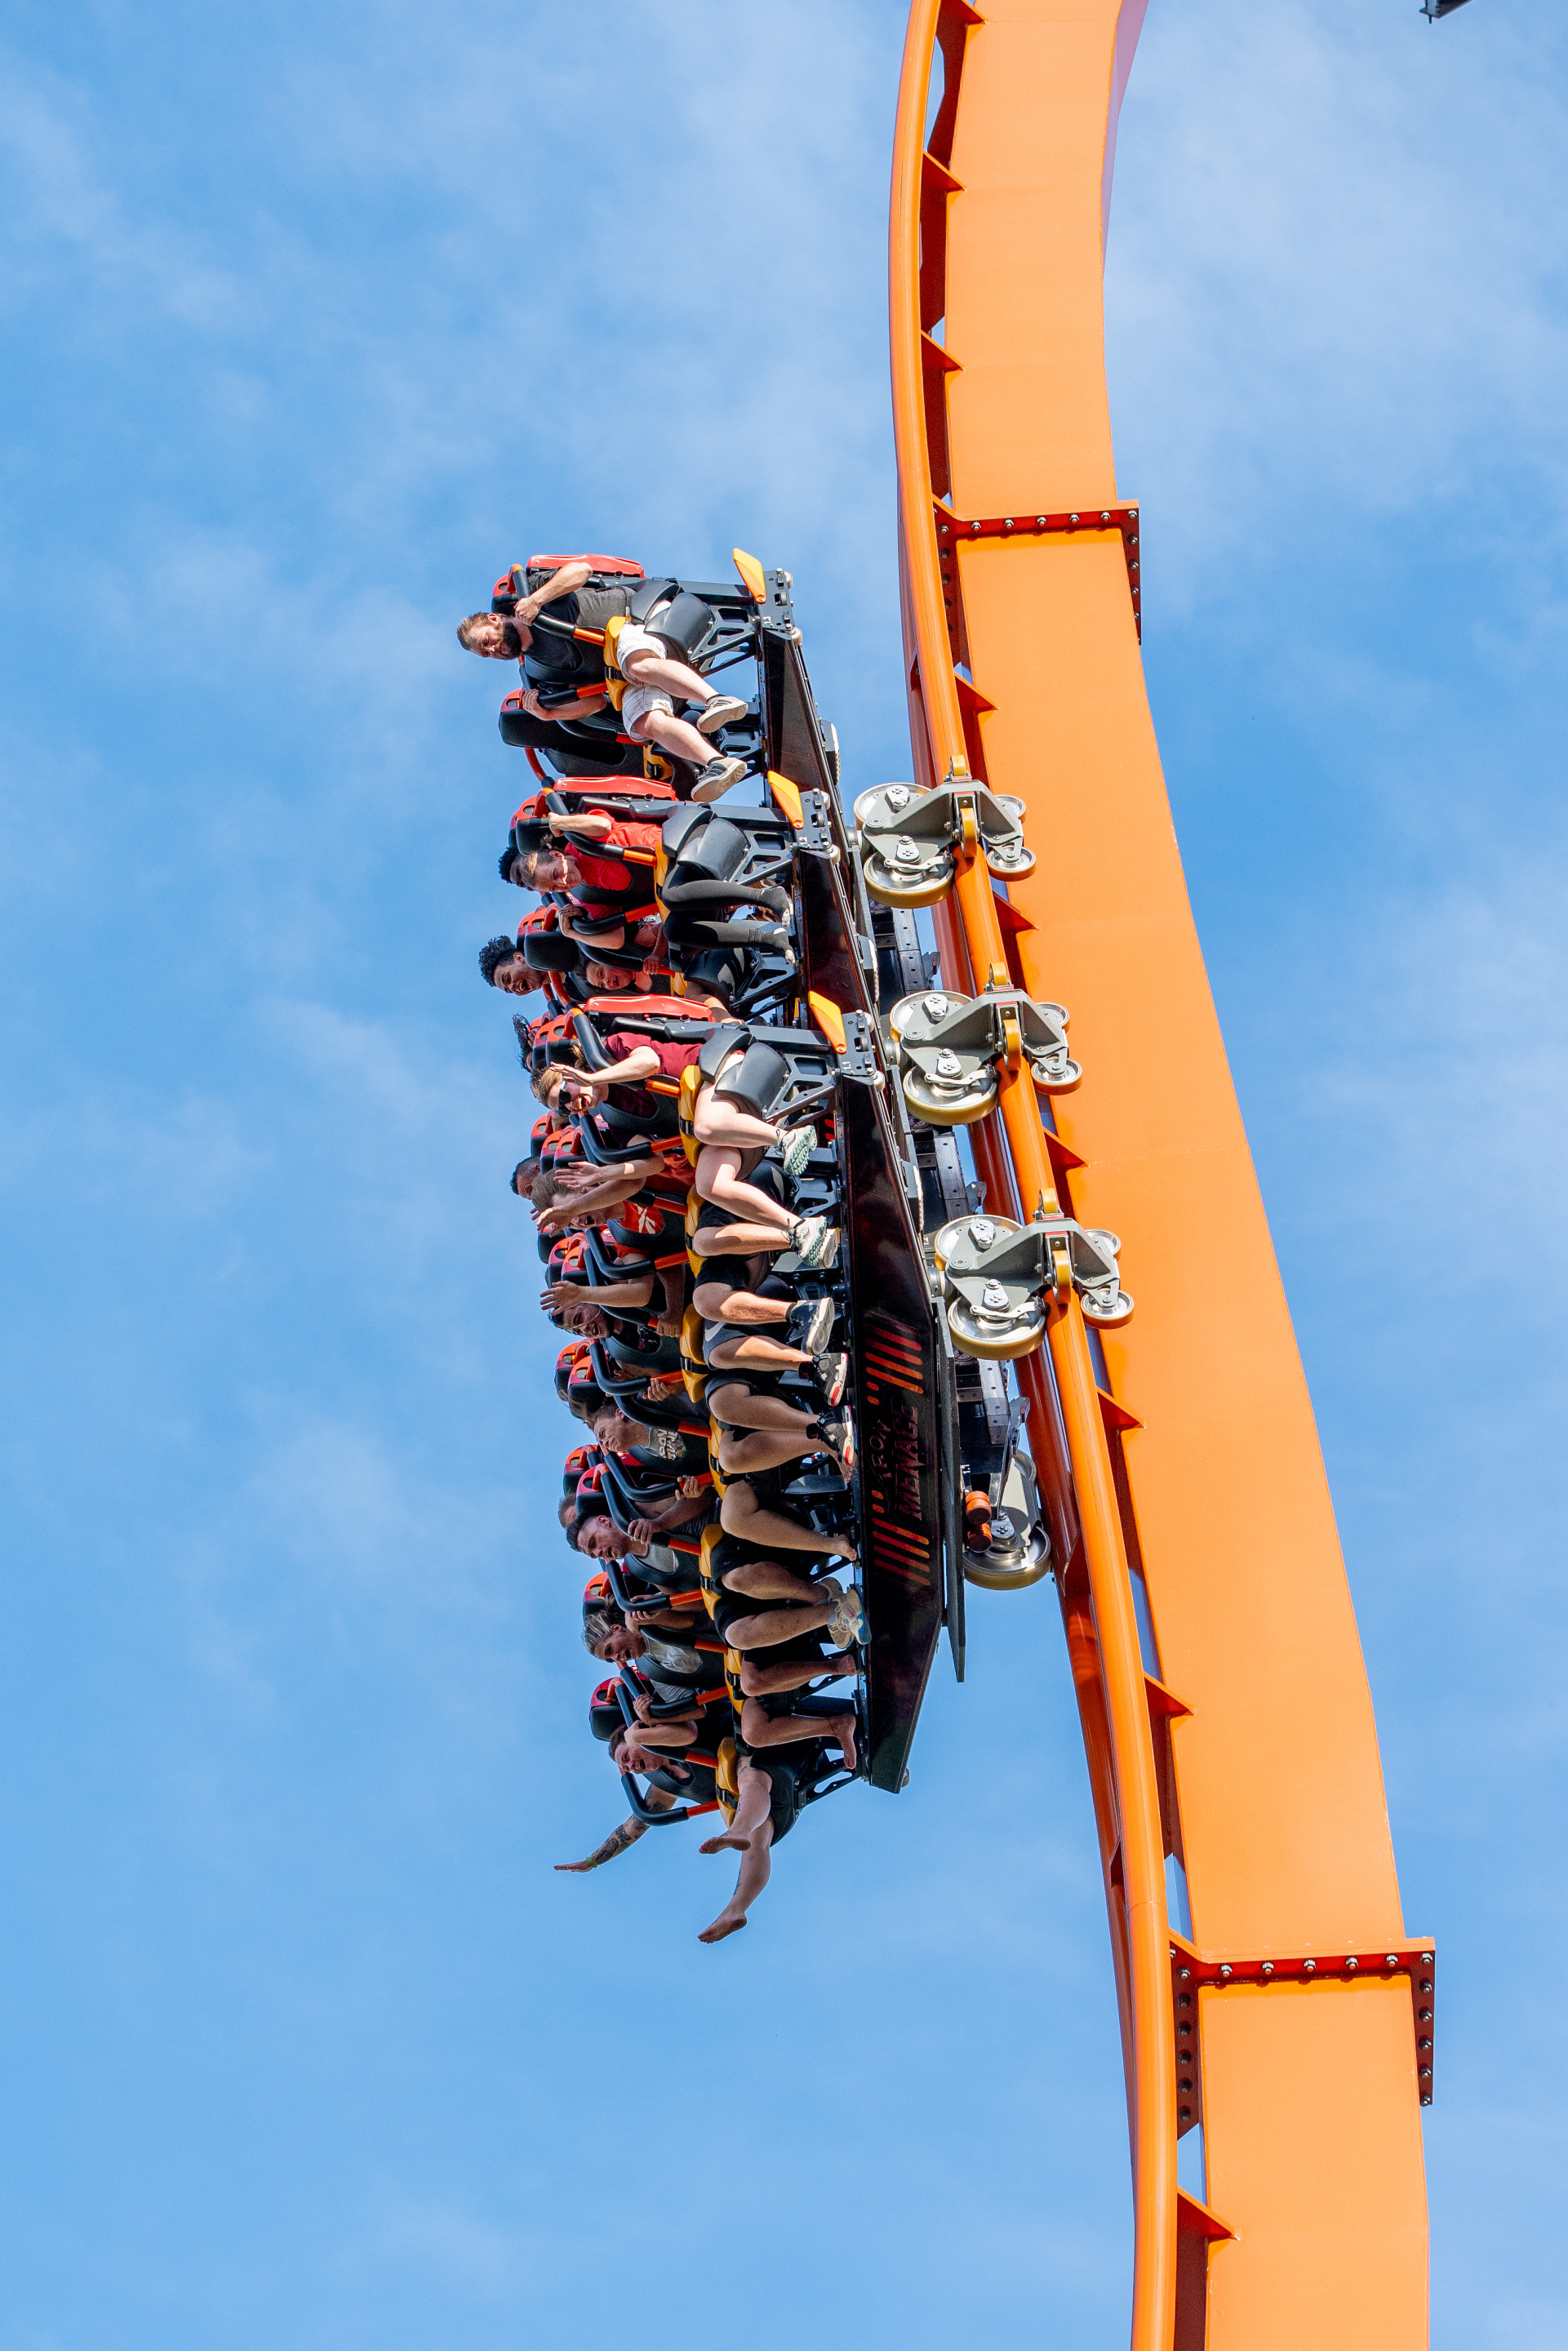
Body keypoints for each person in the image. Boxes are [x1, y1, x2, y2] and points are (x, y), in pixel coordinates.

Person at [457, 558, 748, 800]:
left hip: (636, 620)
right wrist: (549, 714)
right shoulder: (539, 672)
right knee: (645, 723)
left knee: (636, 665)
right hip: (624, 673)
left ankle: (716, 700)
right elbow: (594, 702)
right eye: (486, 654)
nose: (493, 650)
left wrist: (536, 600)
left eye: (487, 641)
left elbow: (580, 571)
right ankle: (718, 763)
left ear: (494, 619)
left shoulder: (532, 591)